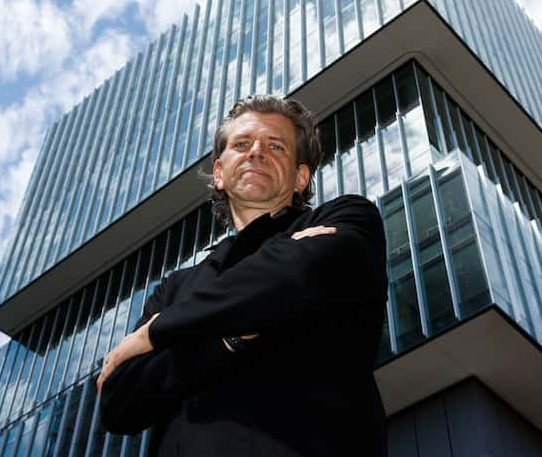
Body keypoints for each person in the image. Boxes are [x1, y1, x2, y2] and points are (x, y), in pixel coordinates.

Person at [97, 95, 388, 456]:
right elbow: (119, 402)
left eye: (275, 145)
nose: (256, 152)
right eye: (242, 144)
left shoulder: (348, 218)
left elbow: (293, 274)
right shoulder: (175, 286)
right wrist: (227, 338)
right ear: (219, 174)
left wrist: (157, 331)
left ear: (300, 177)